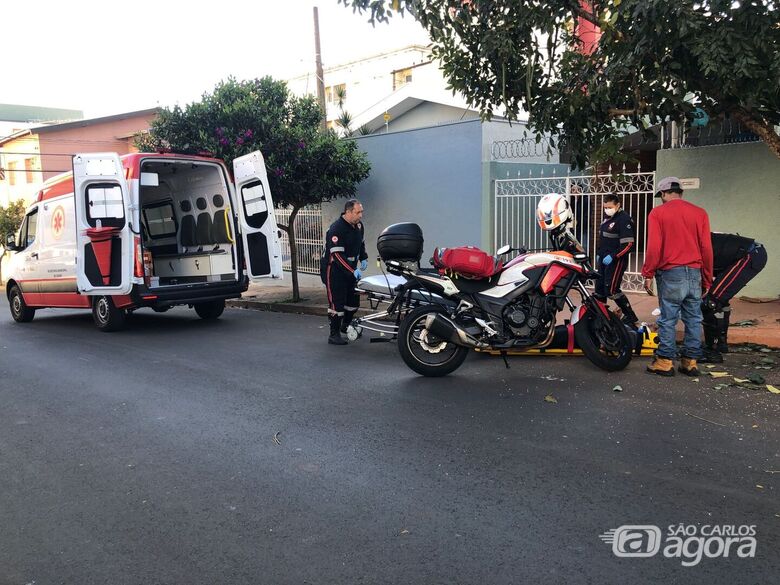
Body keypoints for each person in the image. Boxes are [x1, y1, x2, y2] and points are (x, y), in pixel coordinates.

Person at [642, 177, 713, 377]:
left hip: (671, 273)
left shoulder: (658, 213)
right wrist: (707, 277)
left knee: (668, 318)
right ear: (681, 192)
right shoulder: (700, 213)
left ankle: (665, 361)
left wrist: (648, 272)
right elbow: (706, 248)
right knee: (693, 319)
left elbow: (654, 247)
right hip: (695, 273)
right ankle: (690, 362)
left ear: (664, 194)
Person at [699, 232, 768, 362]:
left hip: (749, 255)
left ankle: (712, 351)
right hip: (750, 253)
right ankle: (720, 344)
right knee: (719, 299)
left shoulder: (691, 246)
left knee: (711, 302)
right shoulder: (693, 238)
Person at [320, 199, 368, 345]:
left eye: (361, 212)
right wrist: (352, 270)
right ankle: (333, 335)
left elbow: (361, 243)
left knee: (353, 302)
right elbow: (337, 256)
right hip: (334, 270)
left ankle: (345, 326)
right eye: (357, 212)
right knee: (337, 303)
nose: (360, 215)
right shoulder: (337, 229)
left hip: (350, 269)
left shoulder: (359, 226)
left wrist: (363, 257)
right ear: (348, 212)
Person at [595, 194, 639, 327]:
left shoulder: (624, 219)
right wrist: (599, 253)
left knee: (612, 289)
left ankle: (630, 316)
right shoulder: (607, 219)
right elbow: (603, 239)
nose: (607, 209)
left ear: (618, 205)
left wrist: (614, 256)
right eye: (605, 207)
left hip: (616, 260)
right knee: (600, 289)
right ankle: (600, 316)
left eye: (610, 207)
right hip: (603, 259)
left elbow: (628, 244)